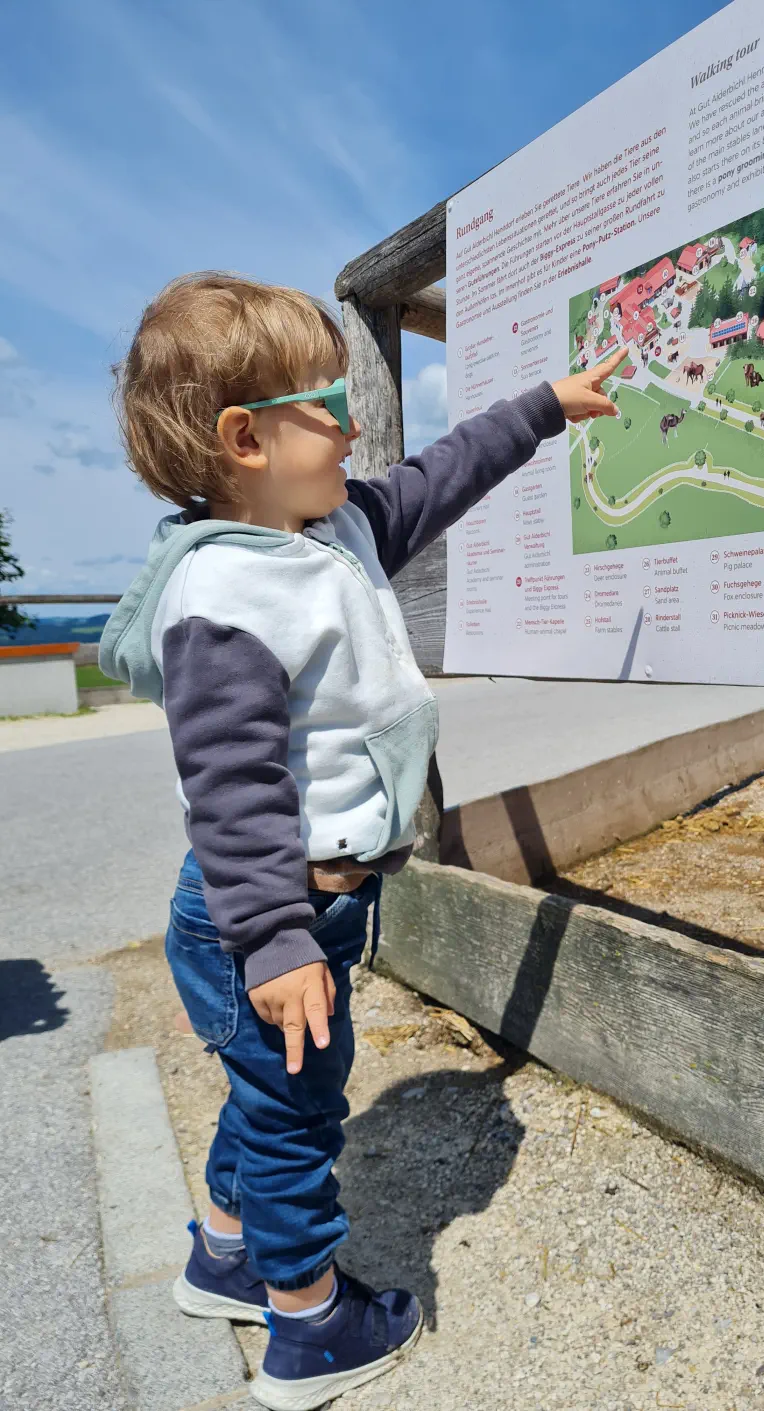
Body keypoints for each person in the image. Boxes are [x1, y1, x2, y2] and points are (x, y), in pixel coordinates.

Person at [101, 271, 626, 1410]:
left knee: (260, 1093)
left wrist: (542, 405)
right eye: (326, 398)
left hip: (304, 904)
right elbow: (231, 791)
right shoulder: (227, 597)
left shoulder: (332, 530)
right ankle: (308, 1326)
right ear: (244, 439)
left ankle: (223, 1257)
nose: (350, 420)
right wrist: (279, 942)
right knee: (294, 1111)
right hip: (265, 911)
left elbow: (438, 479)